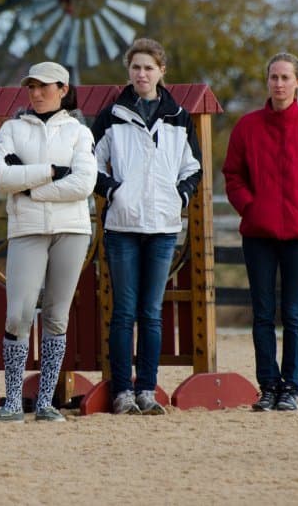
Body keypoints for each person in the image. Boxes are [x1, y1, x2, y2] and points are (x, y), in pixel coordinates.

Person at [0, 61, 97, 423]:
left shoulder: (79, 132)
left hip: (71, 230)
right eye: (31, 86)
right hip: (26, 230)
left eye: (44, 86)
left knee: (57, 316)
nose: (36, 92)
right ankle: (12, 402)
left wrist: (29, 187)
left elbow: (84, 184)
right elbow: (1, 177)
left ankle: (46, 402)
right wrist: (49, 173)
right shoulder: (11, 129)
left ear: (63, 89)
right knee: (17, 315)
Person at [92, 38, 202, 416]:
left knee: (152, 313)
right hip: (122, 226)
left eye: (148, 68)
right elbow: (90, 164)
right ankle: (122, 392)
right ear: (129, 70)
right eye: (136, 67)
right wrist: (114, 192)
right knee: (124, 312)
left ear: (161, 72)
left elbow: (193, 168)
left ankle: (146, 392)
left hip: (163, 226)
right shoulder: (112, 116)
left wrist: (180, 197)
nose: (142, 74)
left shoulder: (179, 117)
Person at [222, 52, 298, 413]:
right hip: (259, 234)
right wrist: (251, 207)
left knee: (293, 314)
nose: (279, 83)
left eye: (286, 77)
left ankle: (292, 387)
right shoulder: (248, 126)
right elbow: (233, 174)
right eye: (273, 77)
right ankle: (268, 386)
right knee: (262, 314)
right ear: (267, 81)